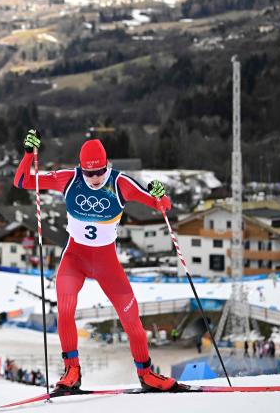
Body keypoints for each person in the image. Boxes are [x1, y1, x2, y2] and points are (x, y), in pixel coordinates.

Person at [13, 130, 177, 392]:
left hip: (106, 263)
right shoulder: (69, 179)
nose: (95, 178)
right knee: (65, 310)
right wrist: (28, 154)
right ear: (81, 169)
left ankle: (146, 374)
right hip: (75, 258)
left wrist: (161, 194)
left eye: (99, 171)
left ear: (107, 165)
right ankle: (72, 371)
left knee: (131, 320)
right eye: (89, 173)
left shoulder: (121, 183)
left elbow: (162, 207)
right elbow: (23, 181)